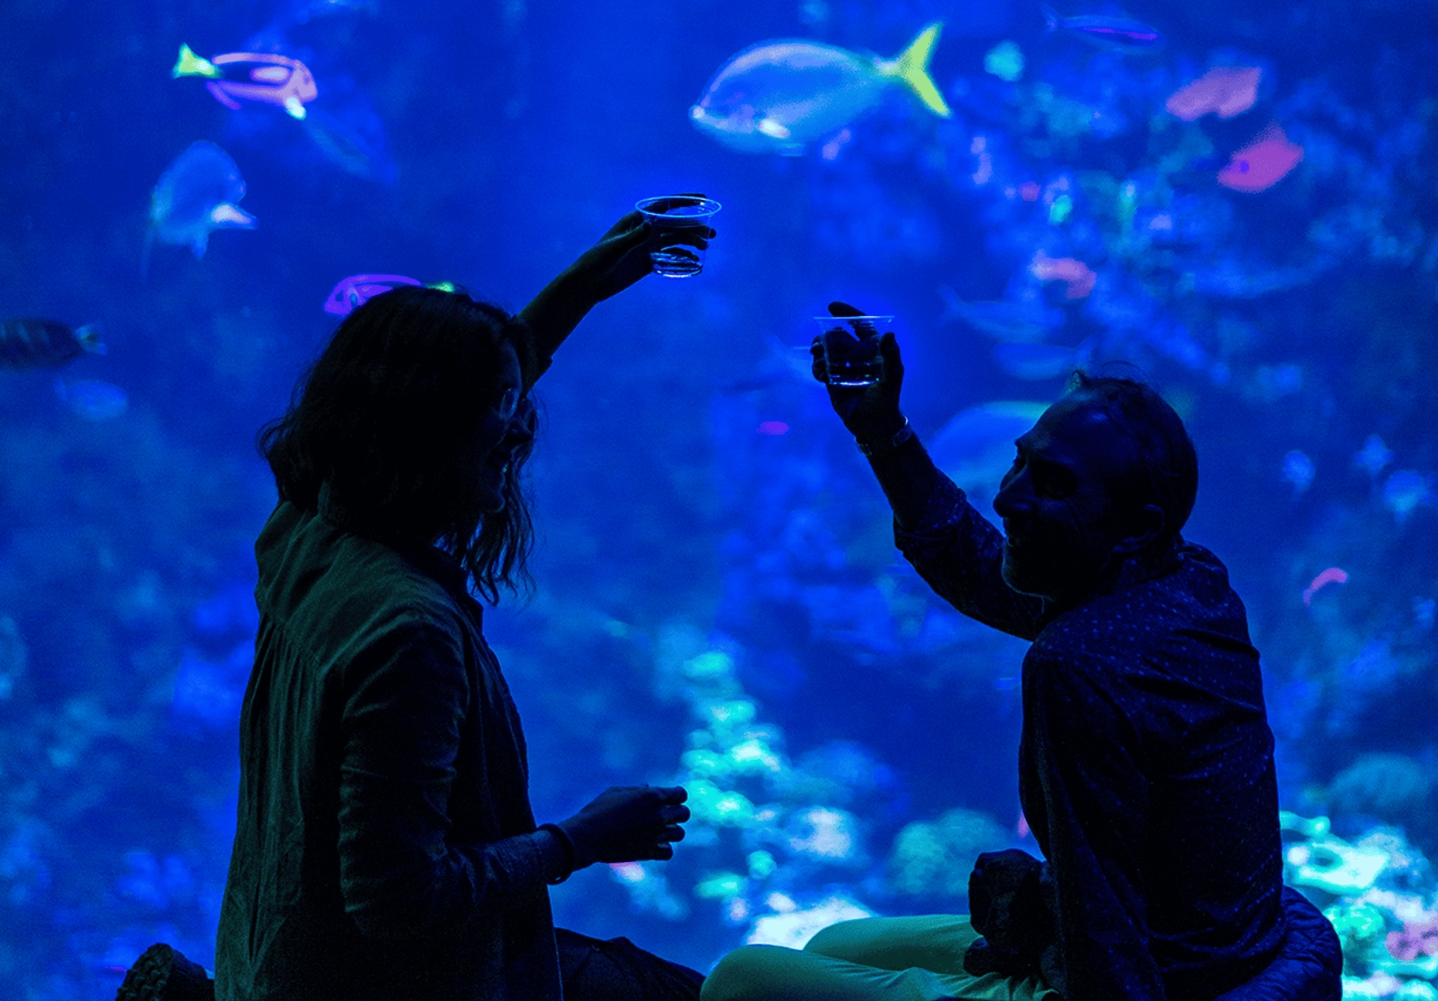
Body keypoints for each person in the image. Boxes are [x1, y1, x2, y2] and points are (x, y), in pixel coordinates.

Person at [120, 208, 712, 1001]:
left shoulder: (303, 535)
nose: (517, 433)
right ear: (432, 434)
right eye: (500, 410)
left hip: (284, 963)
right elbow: (400, 896)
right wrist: (582, 837)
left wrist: (584, 288)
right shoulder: (408, 630)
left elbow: (445, 389)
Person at [701, 304, 1342, 1001]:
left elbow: (1103, 920)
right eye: (1020, 462)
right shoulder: (1187, 580)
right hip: (1219, 944)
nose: (1008, 498)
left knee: (740, 981)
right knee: (834, 942)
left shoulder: (1076, 664)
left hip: (1155, 982)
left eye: (1053, 484)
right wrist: (882, 429)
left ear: (1136, 527)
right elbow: (983, 569)